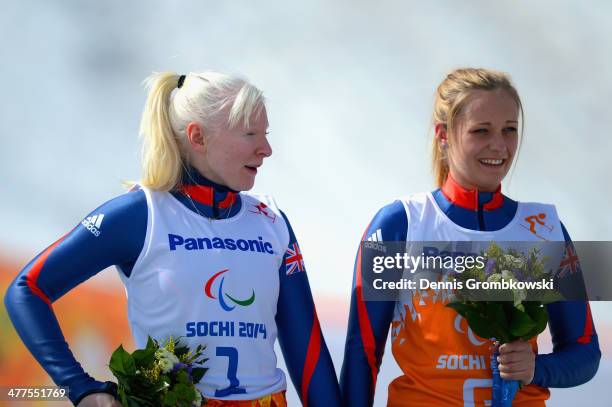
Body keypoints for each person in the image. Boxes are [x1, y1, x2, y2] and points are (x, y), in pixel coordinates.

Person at [5, 71, 341, 407]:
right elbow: (27, 290)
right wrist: (81, 388)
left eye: (265, 134)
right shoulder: (140, 214)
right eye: (249, 134)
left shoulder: (271, 220)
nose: (266, 149)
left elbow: (307, 350)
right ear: (198, 137)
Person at [340, 68, 601, 406]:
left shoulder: (544, 228)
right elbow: (362, 353)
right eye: (481, 131)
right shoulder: (399, 224)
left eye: (510, 130)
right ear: (443, 134)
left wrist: (535, 368)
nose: (499, 145)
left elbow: (585, 354)